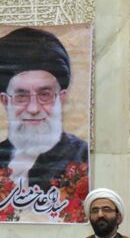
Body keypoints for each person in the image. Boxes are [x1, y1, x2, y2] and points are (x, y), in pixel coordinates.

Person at [0, 27, 88, 192]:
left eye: (44, 95)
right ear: (5, 100)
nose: (33, 108)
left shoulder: (83, 157)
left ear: (61, 98)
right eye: (21, 96)